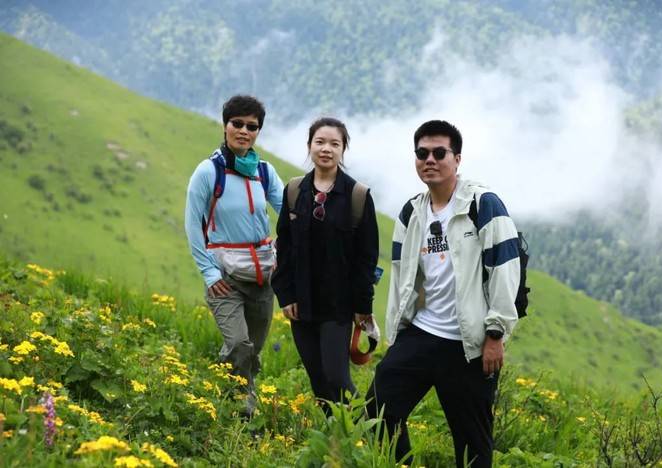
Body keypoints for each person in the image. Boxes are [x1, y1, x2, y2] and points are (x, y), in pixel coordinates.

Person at [366, 120, 520, 467]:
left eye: (439, 153)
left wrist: (495, 334)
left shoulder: (483, 205)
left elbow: (505, 269)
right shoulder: (412, 212)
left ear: (457, 159)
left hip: (469, 346)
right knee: (378, 412)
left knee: (472, 445)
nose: (430, 160)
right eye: (422, 153)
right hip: (421, 333)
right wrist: (398, 333)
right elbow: (403, 276)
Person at [184, 95, 284, 417]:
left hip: (263, 277)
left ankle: (225, 396)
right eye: (237, 123)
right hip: (225, 279)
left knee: (250, 350)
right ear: (225, 125)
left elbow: (290, 213)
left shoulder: (264, 172)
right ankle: (243, 411)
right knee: (240, 345)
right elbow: (192, 225)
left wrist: (285, 246)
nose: (244, 131)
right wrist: (209, 273)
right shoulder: (208, 171)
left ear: (258, 132)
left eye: (251, 126)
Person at [272, 117, 379, 410]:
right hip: (301, 304)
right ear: (309, 146)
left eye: (334, 143)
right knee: (319, 382)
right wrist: (286, 295)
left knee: (337, 379)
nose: (326, 149)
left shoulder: (357, 196)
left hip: (338, 305)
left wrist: (363, 307)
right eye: (319, 142)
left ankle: (369, 432)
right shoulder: (295, 191)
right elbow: (284, 248)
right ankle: (337, 436)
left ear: (343, 149)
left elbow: (366, 258)